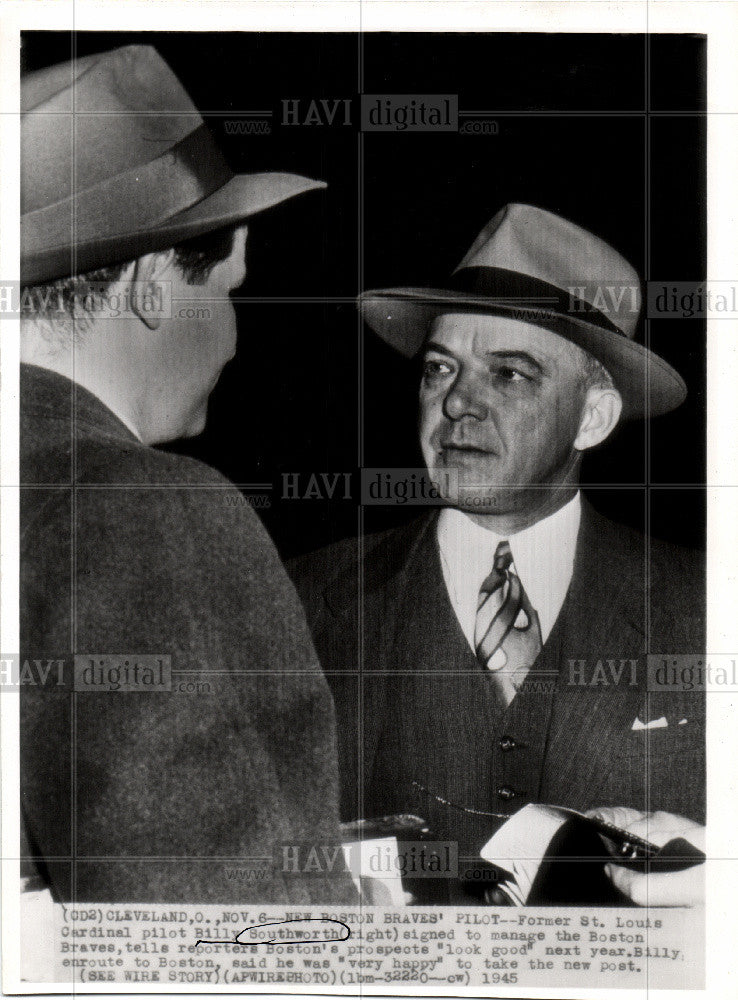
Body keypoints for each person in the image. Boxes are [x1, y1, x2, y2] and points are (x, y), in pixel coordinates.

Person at [291, 203, 705, 905]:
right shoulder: (301, 600)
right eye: (439, 369)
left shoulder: (706, 607)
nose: (456, 405)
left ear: (594, 416)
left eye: (509, 375)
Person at [19, 44, 355, 904]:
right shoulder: (142, 511)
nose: (236, 337)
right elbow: (249, 940)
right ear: (150, 287)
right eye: (230, 288)